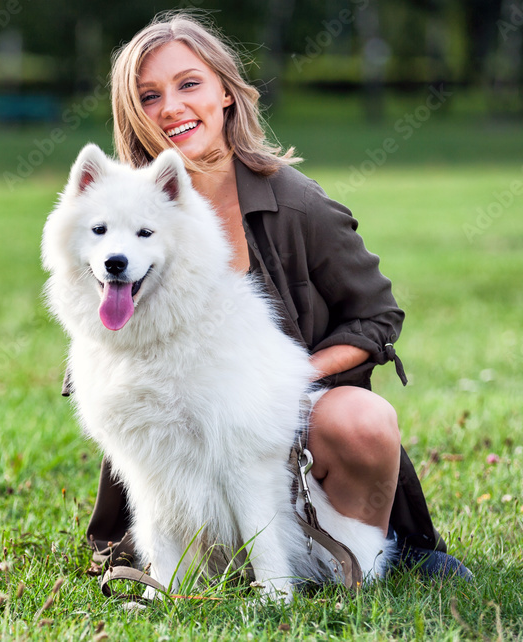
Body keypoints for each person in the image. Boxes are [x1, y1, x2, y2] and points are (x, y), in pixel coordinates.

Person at [75, 11, 471, 580]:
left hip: (290, 422)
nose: (171, 107)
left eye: (190, 84)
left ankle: (373, 551)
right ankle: (181, 556)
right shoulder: (120, 208)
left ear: (227, 94)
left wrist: (285, 378)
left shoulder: (297, 203)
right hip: (173, 430)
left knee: (362, 417)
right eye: (150, 94)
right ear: (133, 112)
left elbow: (377, 316)